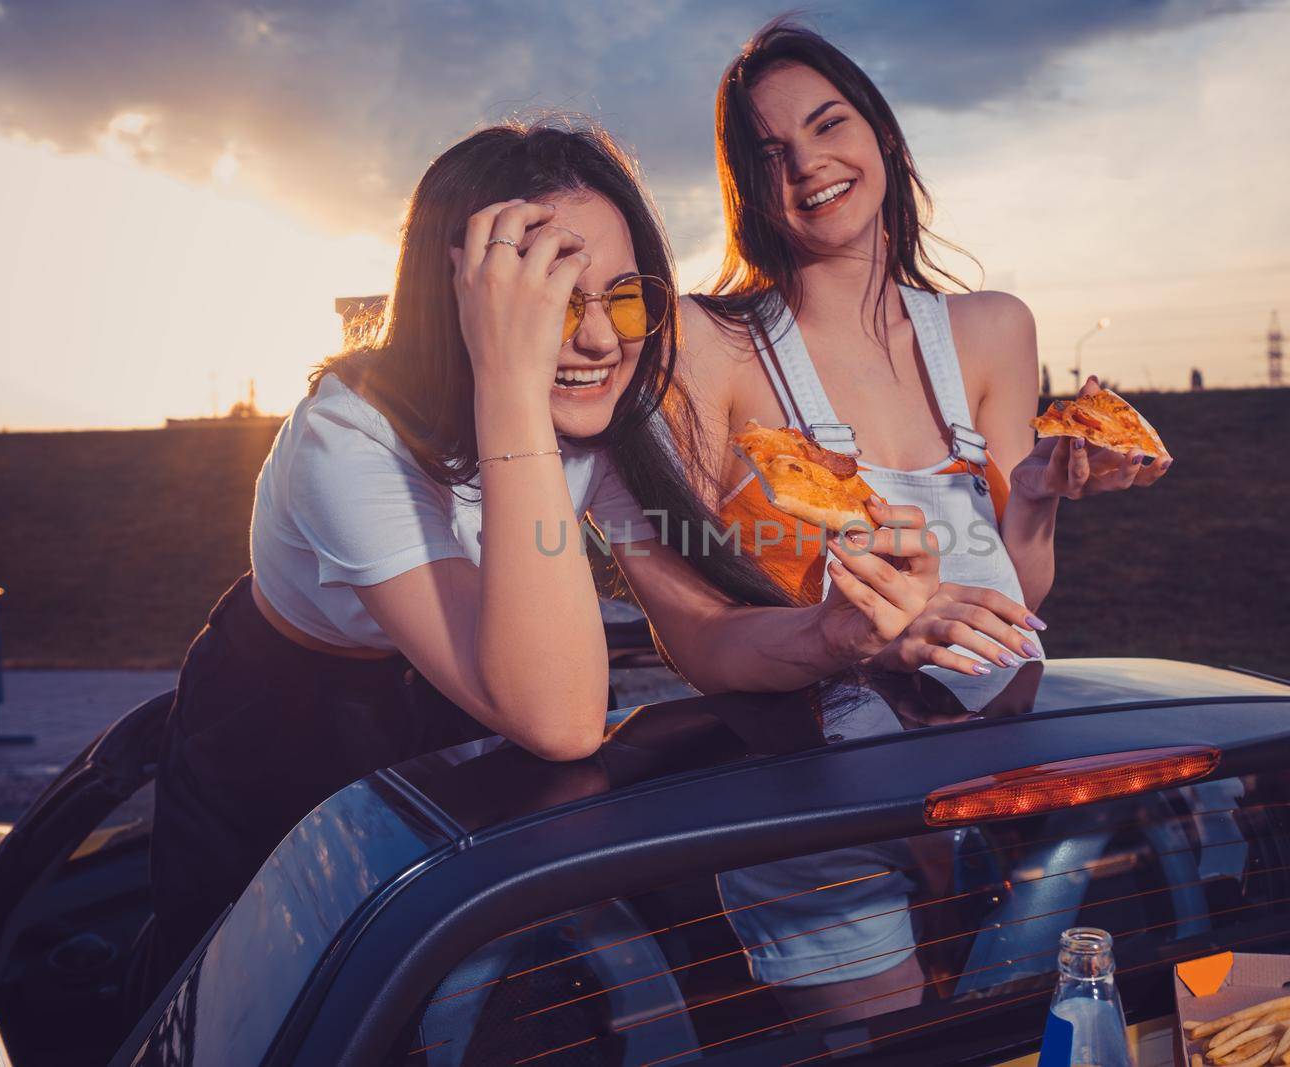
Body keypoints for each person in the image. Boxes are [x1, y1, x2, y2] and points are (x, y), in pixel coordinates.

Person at [146, 119, 941, 989]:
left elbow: (705, 632)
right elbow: (563, 722)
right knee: (254, 985)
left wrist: (833, 633)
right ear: (466, 300)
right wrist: (509, 381)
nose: (601, 340)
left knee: (472, 977)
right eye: (550, 301)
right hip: (285, 721)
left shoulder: (599, 424)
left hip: (480, 687)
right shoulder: (346, 437)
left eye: (624, 295)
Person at [679, 20, 1171, 681]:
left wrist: (1032, 498)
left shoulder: (995, 330)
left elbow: (1013, 602)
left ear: (881, 131)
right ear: (748, 193)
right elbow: (696, 639)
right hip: (831, 768)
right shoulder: (710, 344)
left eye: (829, 125)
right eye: (770, 155)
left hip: (1001, 757)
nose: (807, 164)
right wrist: (858, 640)